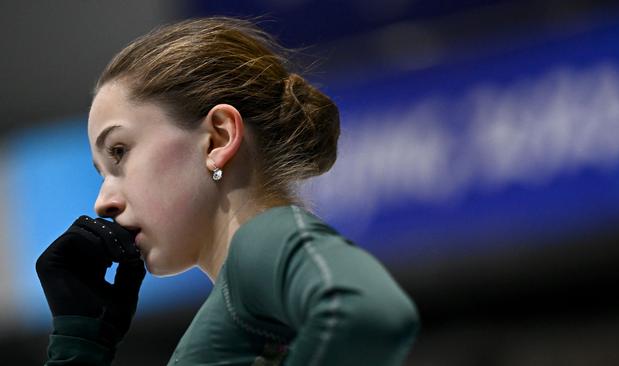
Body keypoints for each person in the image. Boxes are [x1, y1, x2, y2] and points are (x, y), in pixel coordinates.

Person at [36, 16, 419, 365]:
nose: (103, 202)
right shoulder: (242, 290)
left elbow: (370, 313)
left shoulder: (261, 242)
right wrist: (80, 343)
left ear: (218, 138)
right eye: (102, 173)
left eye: (119, 151)